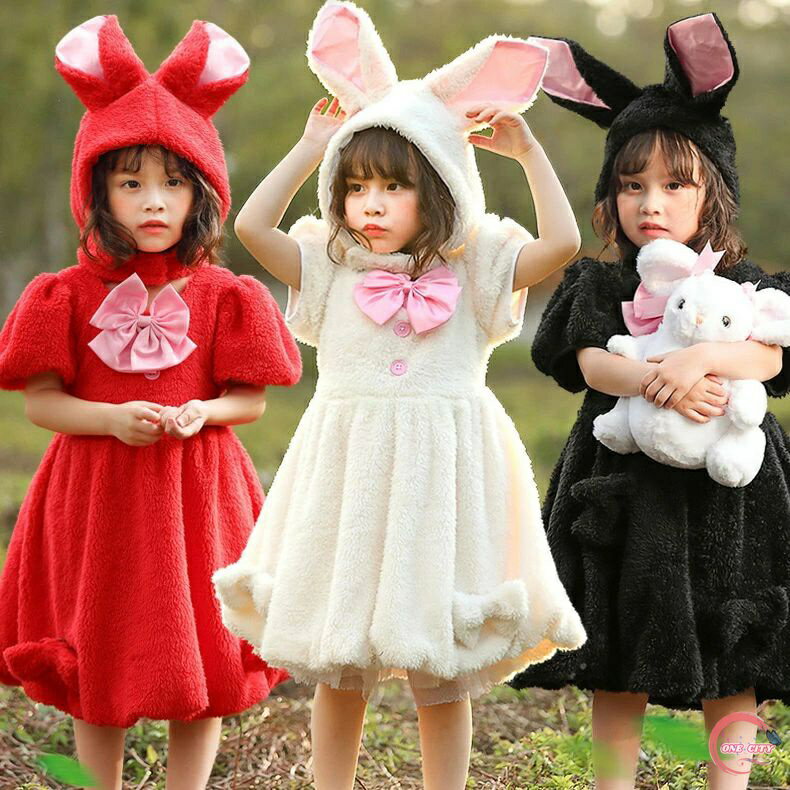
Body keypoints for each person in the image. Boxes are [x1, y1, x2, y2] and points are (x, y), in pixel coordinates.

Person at [213, 2, 586, 788]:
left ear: (442, 187)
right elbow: (251, 228)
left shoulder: (477, 263)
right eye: (355, 187)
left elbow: (562, 244)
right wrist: (311, 145)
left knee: (439, 667)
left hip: (441, 479)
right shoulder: (330, 263)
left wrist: (528, 154)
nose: (371, 204)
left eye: (393, 186)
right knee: (340, 660)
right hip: (349, 476)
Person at [0, 16, 300, 789]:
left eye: (173, 182)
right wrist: (108, 418)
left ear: (203, 190)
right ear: (96, 190)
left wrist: (203, 413)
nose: (153, 201)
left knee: (202, 647)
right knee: (96, 651)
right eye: (130, 183)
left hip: (199, 493)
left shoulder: (225, 295)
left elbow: (248, 402)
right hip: (94, 496)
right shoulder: (64, 294)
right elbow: (40, 404)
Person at [510, 13, 790, 790]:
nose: (650, 203)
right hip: (626, 490)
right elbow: (591, 362)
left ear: (714, 193)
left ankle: (731, 780)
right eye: (631, 186)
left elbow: (769, 355)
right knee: (619, 653)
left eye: (674, 184)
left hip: (733, 500)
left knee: (734, 650)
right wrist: (649, 379)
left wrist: (703, 357)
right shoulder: (601, 282)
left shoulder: (746, 284)